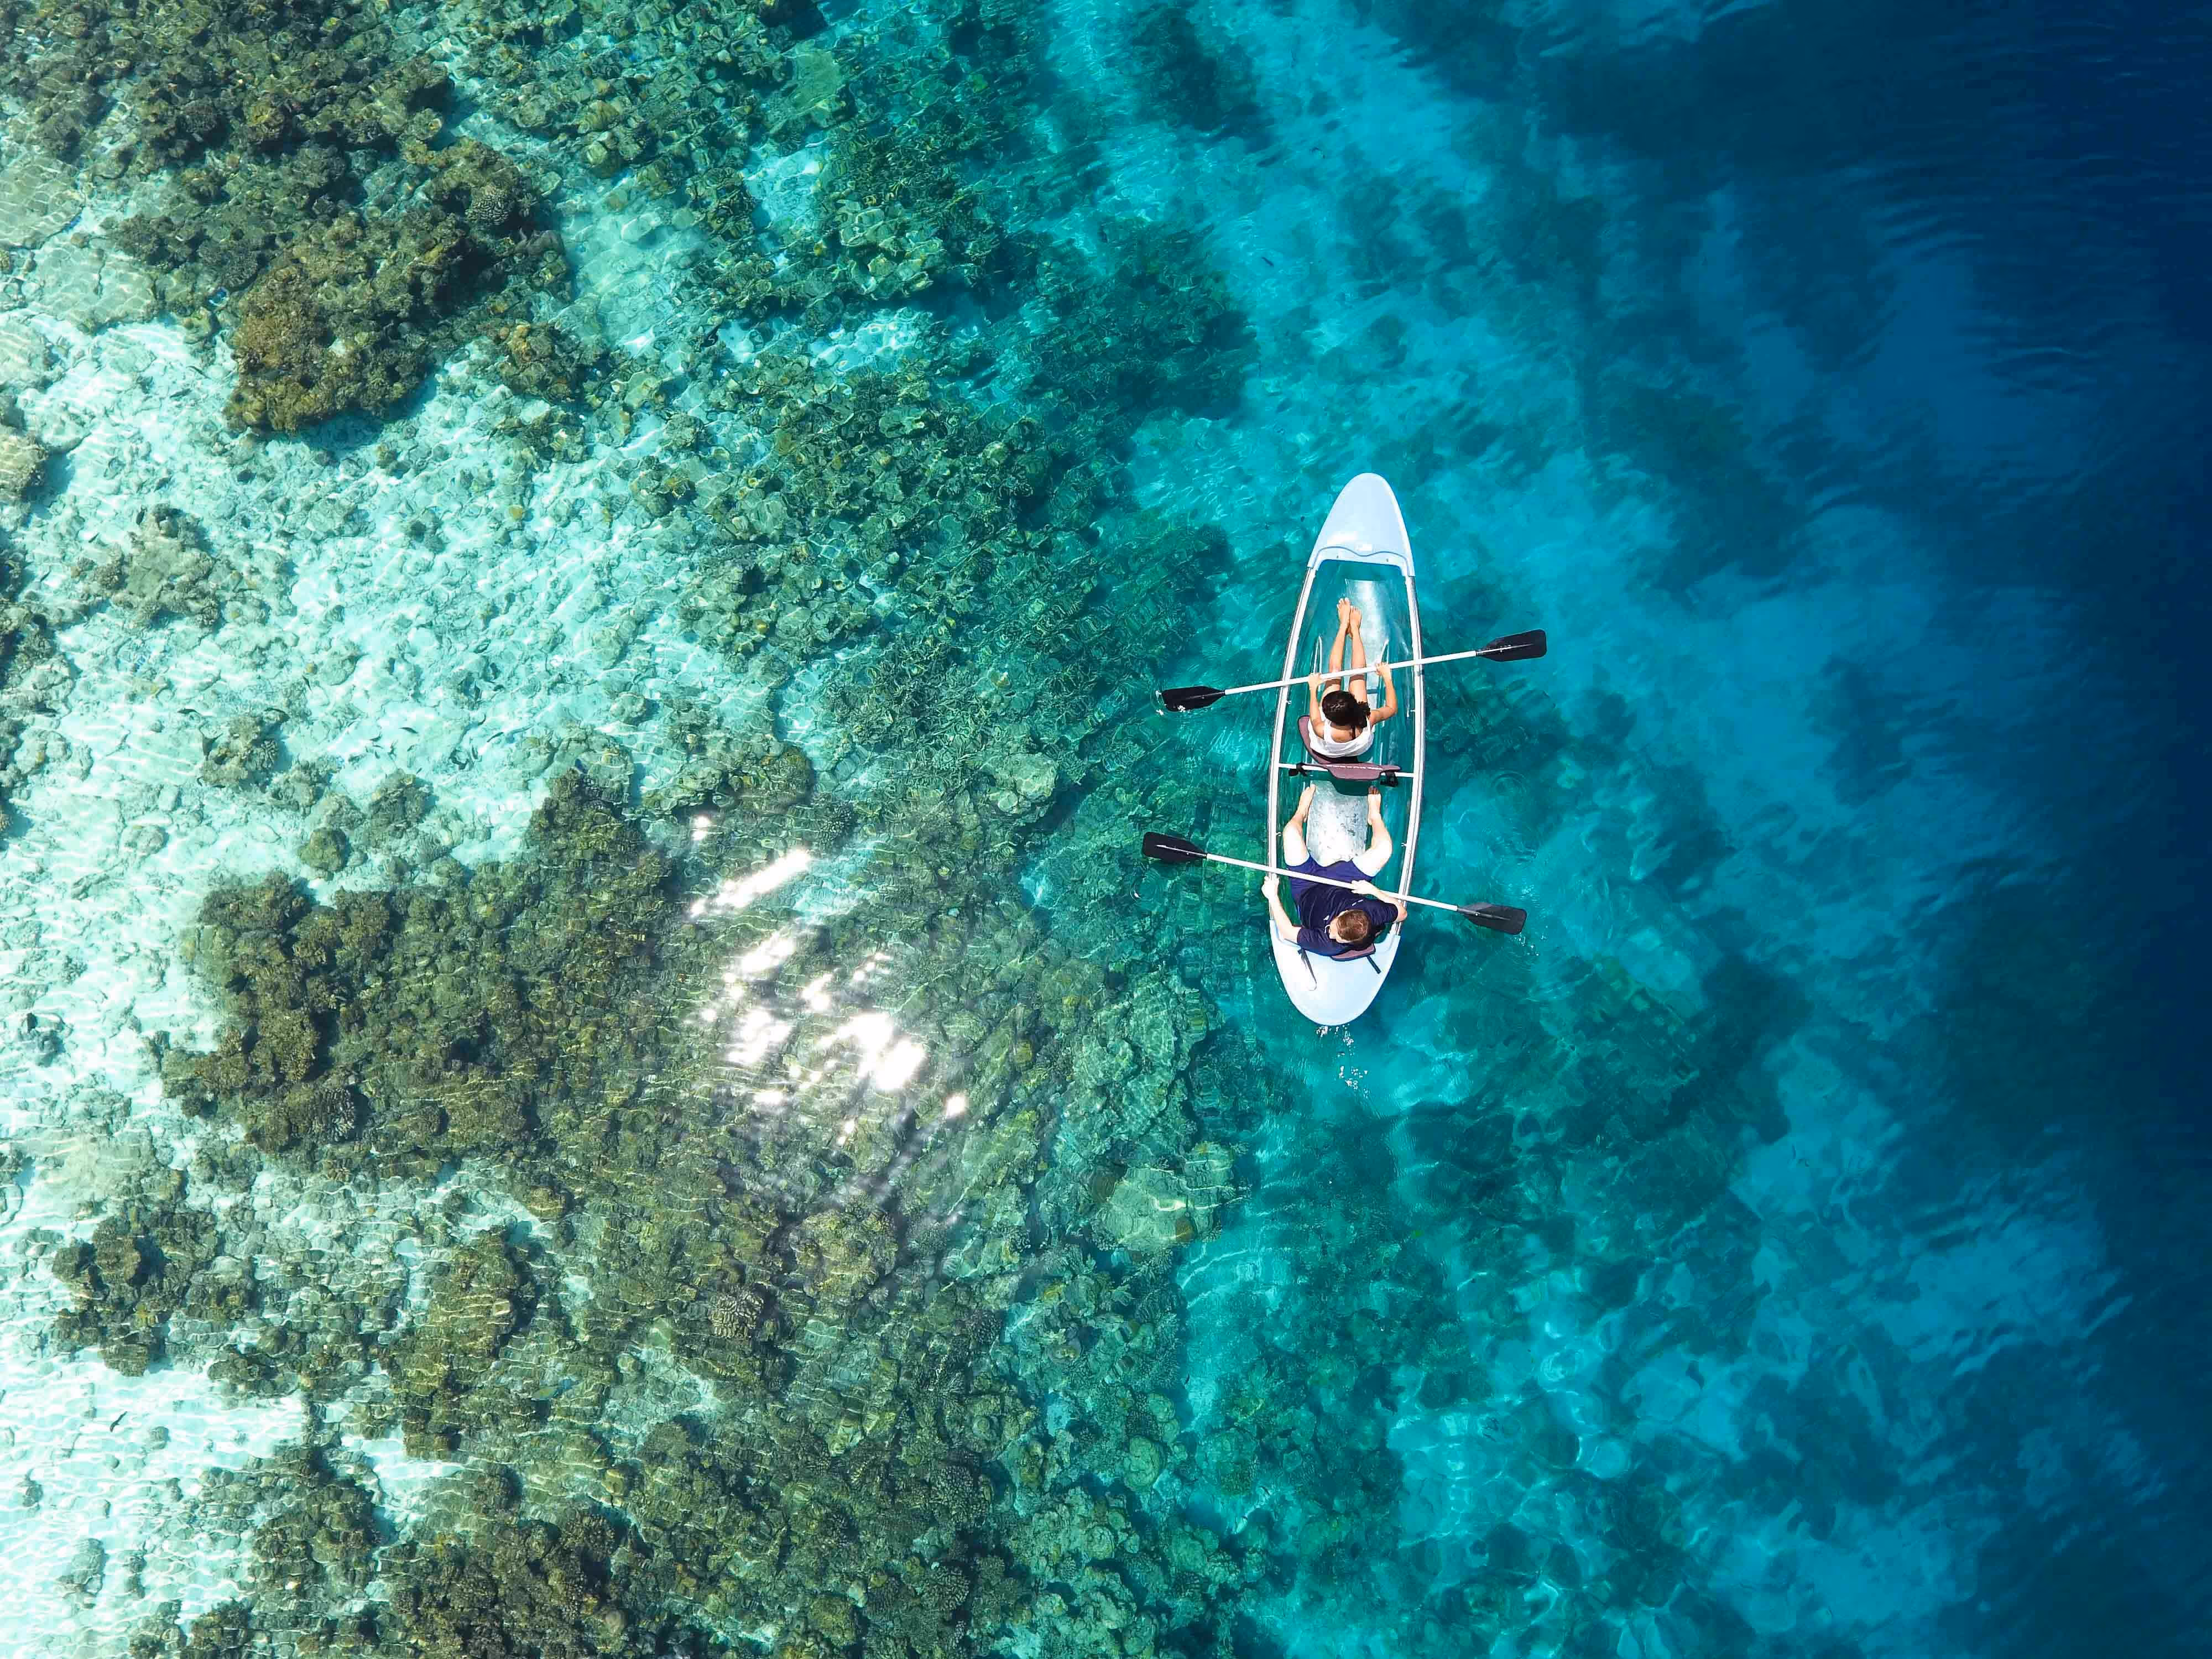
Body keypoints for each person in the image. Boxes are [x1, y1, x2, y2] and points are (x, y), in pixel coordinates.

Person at [1261, 783, 1408, 958]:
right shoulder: (1371, 912)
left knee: (1290, 833)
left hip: (1306, 890)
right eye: (1334, 926)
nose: (1331, 933)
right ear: (1346, 913)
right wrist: (1373, 891)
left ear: (1349, 943)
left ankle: (1301, 811)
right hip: (1343, 884)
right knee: (1384, 849)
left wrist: (1273, 896)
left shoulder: (1327, 945)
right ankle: (1373, 816)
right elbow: (1402, 913)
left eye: (1337, 937)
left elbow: (1287, 931)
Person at [1304, 597, 1399, 760]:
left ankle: (1343, 626)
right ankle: (1354, 628)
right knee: (1358, 674)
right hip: (1358, 748)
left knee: (1334, 673)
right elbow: (1391, 709)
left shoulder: (1321, 729)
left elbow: (1314, 713)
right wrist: (1388, 678)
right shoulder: (1367, 719)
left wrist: (1313, 690)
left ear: (1328, 717)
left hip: (1328, 749)